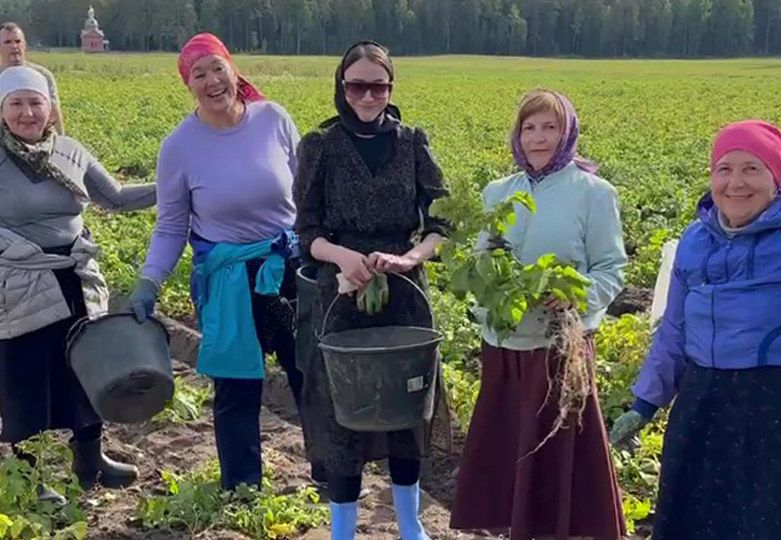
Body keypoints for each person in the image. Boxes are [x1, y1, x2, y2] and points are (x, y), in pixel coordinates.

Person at [611, 120, 781, 540]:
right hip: (704, 397)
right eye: (724, 169)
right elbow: (674, 329)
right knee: (691, 512)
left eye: (751, 169)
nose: (735, 183)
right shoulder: (695, 238)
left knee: (773, 520)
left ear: (776, 177)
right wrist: (645, 403)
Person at [128, 33, 311, 492]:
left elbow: (308, 195)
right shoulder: (180, 146)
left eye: (217, 68)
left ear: (234, 69)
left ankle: (330, 474)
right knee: (236, 387)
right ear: (188, 85)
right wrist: (150, 281)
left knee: (310, 374)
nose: (211, 81)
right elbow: (171, 225)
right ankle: (243, 487)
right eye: (198, 74)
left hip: (285, 267)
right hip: (229, 278)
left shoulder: (274, 119)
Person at [450, 89, 627, 540]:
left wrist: (575, 296)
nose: (538, 137)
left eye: (550, 127)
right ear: (517, 135)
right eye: (529, 127)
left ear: (568, 132)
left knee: (557, 454)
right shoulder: (498, 193)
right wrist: (490, 294)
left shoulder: (594, 193)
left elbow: (612, 268)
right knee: (510, 449)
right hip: (506, 348)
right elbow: (479, 264)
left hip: (559, 350)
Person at [293, 40, 450, 540]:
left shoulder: (412, 143)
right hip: (339, 293)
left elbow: (441, 222)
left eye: (378, 86)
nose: (368, 95)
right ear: (342, 87)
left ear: (390, 87)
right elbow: (306, 232)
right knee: (343, 411)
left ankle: (410, 524)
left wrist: (409, 259)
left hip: (403, 294)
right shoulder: (320, 146)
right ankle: (343, 529)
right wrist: (342, 257)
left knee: (407, 407)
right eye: (357, 85)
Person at [0, 66, 154, 503]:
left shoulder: (69, 151)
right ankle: (28, 480)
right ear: (2, 109)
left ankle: (90, 460)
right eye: (17, 103)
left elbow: (117, 198)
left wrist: (180, 187)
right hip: (18, 284)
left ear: (50, 107)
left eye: (36, 102)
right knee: (24, 377)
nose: (28, 113)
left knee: (85, 370)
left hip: (72, 277)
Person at [0, 22, 64, 134]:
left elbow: (54, 112)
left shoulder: (42, 75)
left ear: (25, 44)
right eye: (8, 42)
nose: (14, 46)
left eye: (18, 41)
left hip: (37, 140)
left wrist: (61, 140)